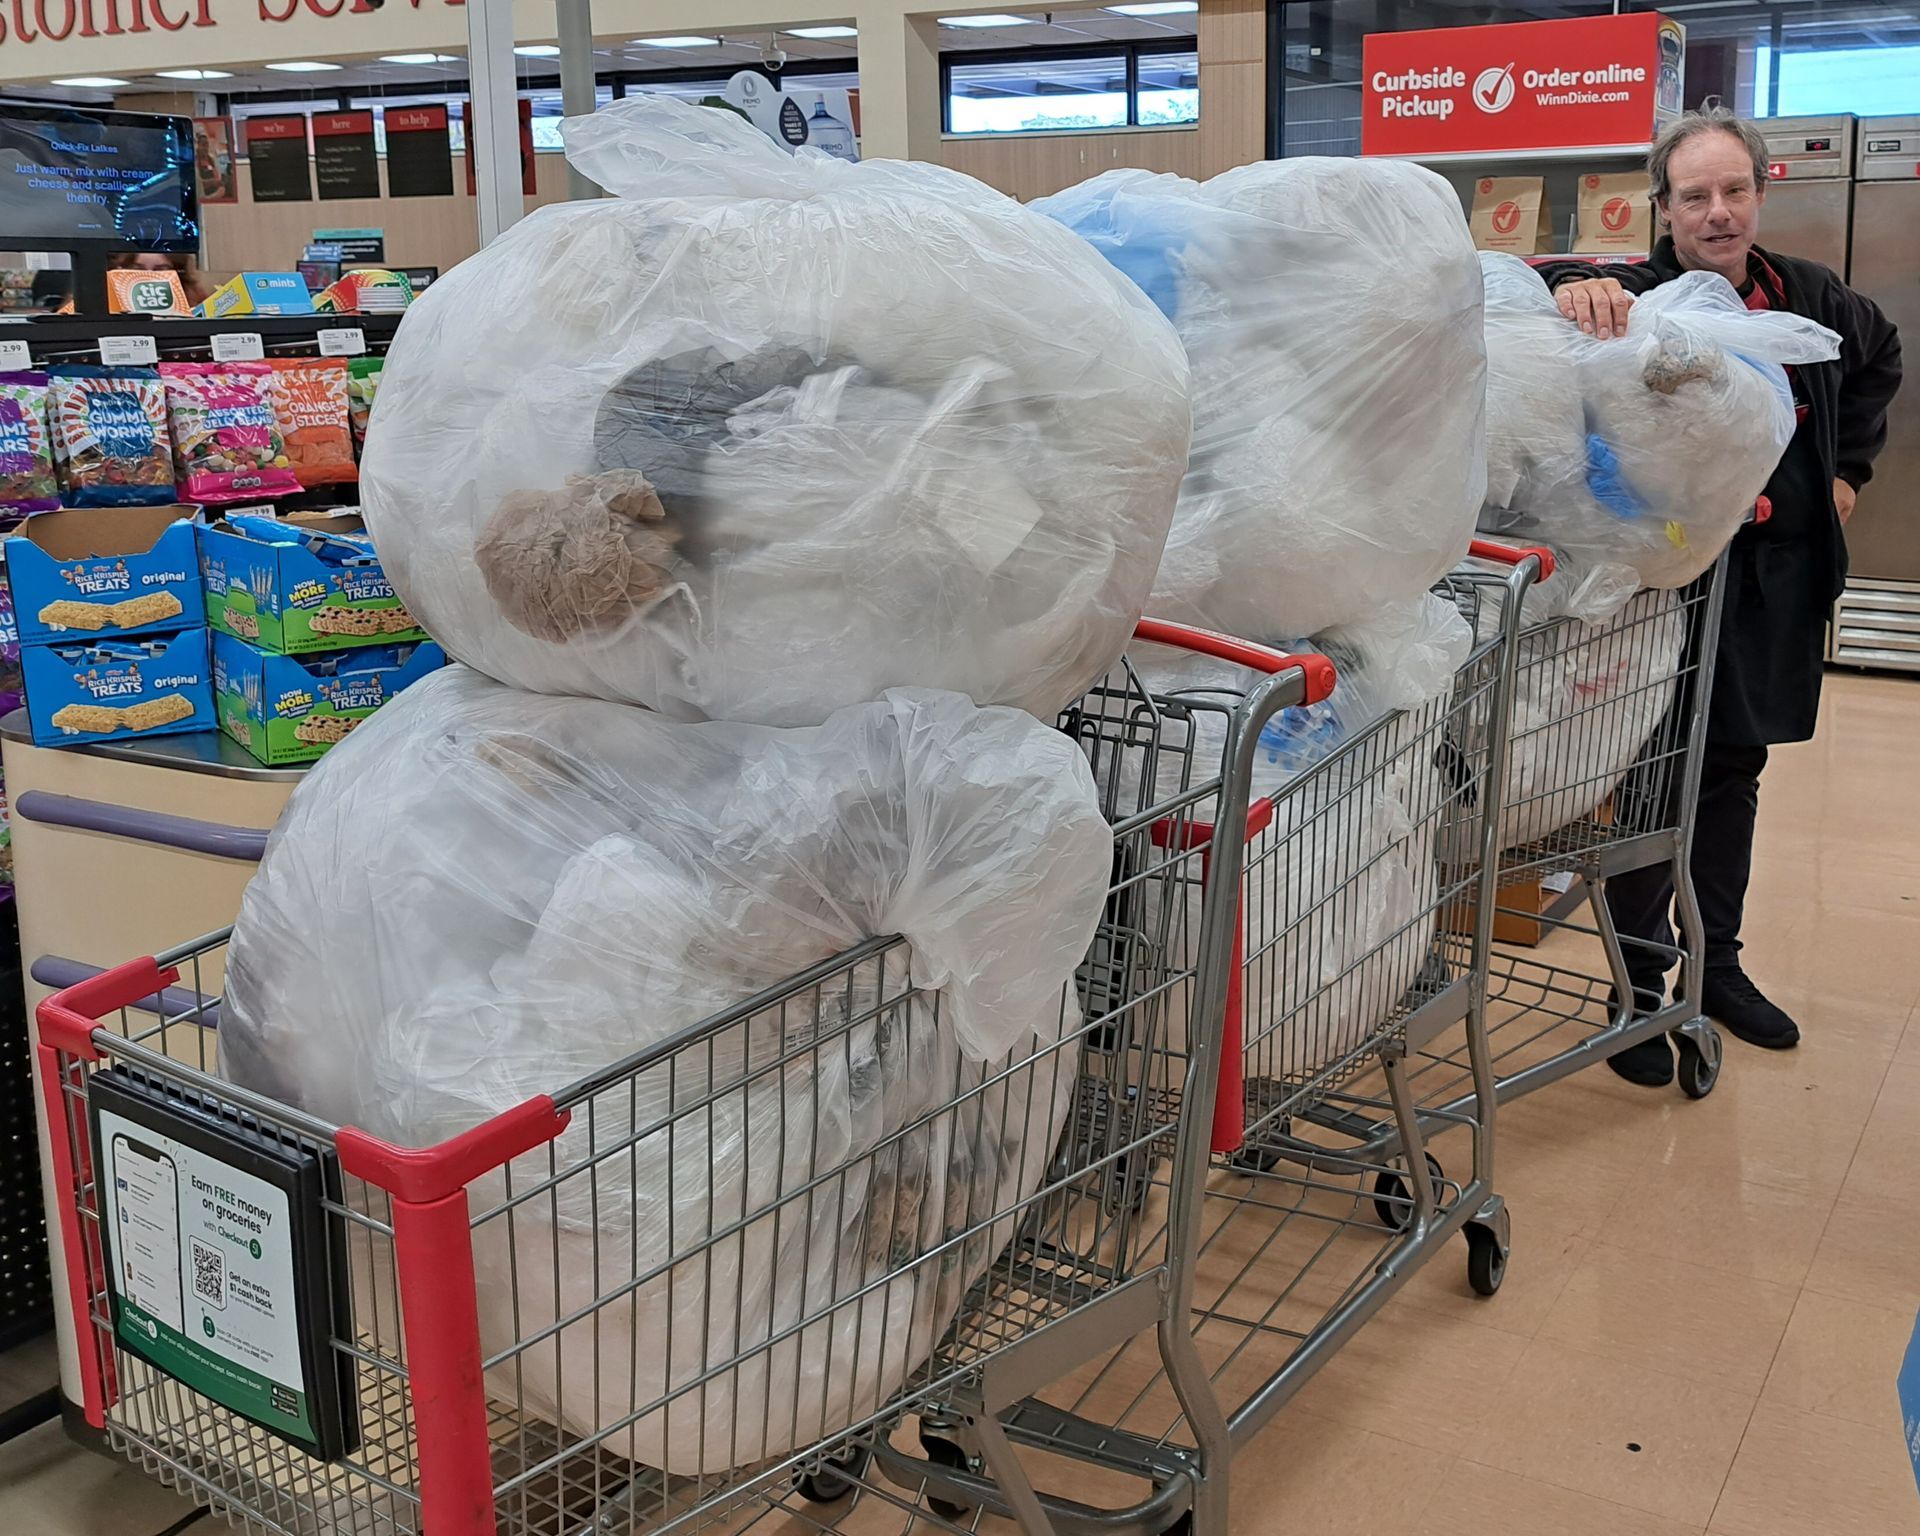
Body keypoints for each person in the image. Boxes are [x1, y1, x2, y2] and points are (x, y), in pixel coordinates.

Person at [1535, 106, 1901, 1086]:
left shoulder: (1808, 298)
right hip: (1665, 589)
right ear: (1664, 209)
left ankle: (1719, 965)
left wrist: (1847, 473)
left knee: (1731, 775)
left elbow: (1878, 357)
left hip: (1770, 585)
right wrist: (1578, 288)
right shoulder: (1636, 295)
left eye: (1734, 190)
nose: (1719, 211)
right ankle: (1639, 986)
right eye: (1695, 195)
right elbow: (1542, 308)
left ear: (1760, 192)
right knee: (1653, 780)